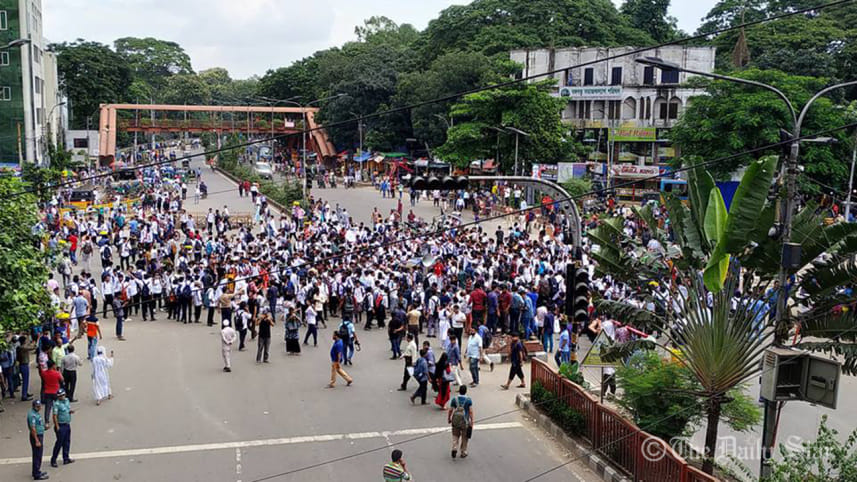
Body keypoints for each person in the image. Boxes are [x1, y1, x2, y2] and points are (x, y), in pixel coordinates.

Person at [50, 388, 74, 468]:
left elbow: (67, 409)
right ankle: (53, 460)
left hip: (67, 424)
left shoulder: (67, 401)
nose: (62, 397)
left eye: (63, 395)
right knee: (59, 443)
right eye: (60, 396)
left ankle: (66, 458)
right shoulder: (56, 404)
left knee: (67, 442)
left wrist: (70, 411)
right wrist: (57, 426)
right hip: (61, 425)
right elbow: (54, 416)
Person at [448, 385, 474, 459]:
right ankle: (463, 452)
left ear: (459, 391)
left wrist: (449, 418)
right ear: (466, 391)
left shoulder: (454, 399)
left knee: (455, 435)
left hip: (456, 421)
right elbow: (471, 411)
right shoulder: (468, 400)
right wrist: (472, 421)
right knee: (465, 437)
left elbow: (450, 410)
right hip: (465, 421)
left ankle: (454, 447)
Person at [28, 398, 49, 480]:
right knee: (37, 455)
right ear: (34, 407)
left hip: (40, 434)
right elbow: (33, 428)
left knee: (39, 455)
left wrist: (44, 428)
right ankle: (36, 474)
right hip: (36, 436)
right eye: (37, 406)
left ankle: (37, 471)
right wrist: (37, 440)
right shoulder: (32, 415)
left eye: (40, 406)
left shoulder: (36, 413)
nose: (39, 408)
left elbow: (38, 424)